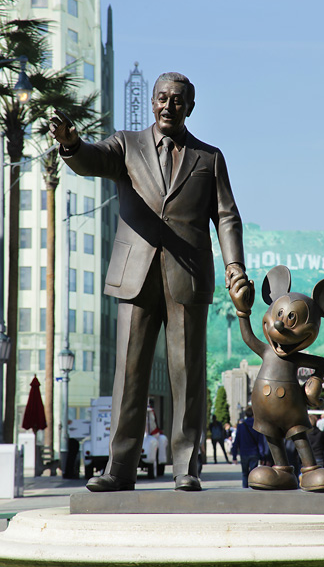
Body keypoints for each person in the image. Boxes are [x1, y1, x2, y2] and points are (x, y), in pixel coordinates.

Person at [49, 72, 247, 492]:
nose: (168, 105)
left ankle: (186, 467)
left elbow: (227, 216)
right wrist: (71, 144)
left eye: (177, 100)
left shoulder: (209, 158)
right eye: (162, 97)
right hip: (135, 275)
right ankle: (120, 468)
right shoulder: (126, 144)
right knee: (129, 374)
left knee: (187, 375)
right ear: (153, 102)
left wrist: (235, 268)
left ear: (190, 107)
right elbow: (92, 160)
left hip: (188, 277)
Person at [231, 406, 265, 488]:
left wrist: (234, 456)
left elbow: (236, 441)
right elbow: (261, 442)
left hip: (244, 453)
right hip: (254, 453)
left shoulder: (241, 426)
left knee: (244, 473)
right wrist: (263, 456)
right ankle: (252, 487)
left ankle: (245, 489)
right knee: (253, 473)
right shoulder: (257, 426)